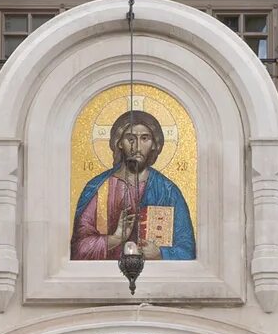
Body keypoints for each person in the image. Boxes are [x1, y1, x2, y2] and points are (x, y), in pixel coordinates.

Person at [71, 106, 196, 261]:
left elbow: (187, 250)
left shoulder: (168, 191)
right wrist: (115, 238)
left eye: (144, 138)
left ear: (154, 144)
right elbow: (78, 248)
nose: (136, 146)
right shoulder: (99, 188)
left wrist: (160, 254)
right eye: (130, 138)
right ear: (119, 143)